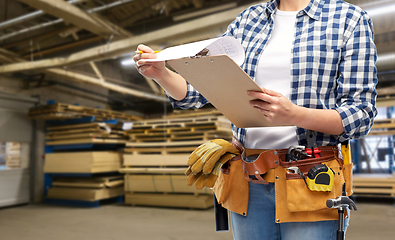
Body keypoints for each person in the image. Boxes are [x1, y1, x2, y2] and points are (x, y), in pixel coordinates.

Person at [134, 0, 377, 239]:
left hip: (310, 181)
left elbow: (360, 114)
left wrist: (294, 115)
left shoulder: (348, 19)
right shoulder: (247, 21)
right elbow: (198, 93)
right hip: (249, 179)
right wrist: (162, 74)